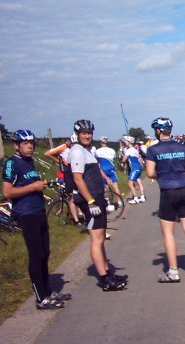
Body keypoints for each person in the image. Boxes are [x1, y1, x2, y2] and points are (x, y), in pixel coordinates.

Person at [3, 130, 72, 309]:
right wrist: (33, 187)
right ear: (16, 146)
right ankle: (40, 298)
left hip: (38, 210)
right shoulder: (12, 163)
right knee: (36, 254)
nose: (30, 146)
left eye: (31, 143)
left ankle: (48, 292)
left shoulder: (30, 162)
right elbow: (7, 192)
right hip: (26, 213)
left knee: (45, 253)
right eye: (25, 143)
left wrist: (39, 186)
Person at [68, 120, 127, 291]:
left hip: (97, 198)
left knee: (100, 239)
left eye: (90, 133)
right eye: (84, 133)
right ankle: (104, 279)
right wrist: (90, 201)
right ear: (77, 134)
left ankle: (108, 273)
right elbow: (78, 179)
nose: (87, 135)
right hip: (90, 201)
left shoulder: (86, 151)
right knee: (96, 239)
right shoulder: (77, 152)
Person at [145, 117, 185, 282]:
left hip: (168, 191)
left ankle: (173, 271)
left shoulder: (153, 150)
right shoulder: (182, 147)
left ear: (157, 131)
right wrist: (178, 170)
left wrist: (164, 173)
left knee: (168, 234)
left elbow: (150, 173)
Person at [95, 136, 122, 202]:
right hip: (111, 170)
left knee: (105, 187)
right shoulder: (112, 150)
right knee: (116, 187)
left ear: (100, 142)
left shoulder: (97, 151)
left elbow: (97, 161)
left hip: (103, 171)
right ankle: (119, 201)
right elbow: (114, 160)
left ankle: (108, 202)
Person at [121, 136, 146, 204]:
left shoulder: (128, 150)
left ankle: (135, 198)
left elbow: (123, 160)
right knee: (139, 182)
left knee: (130, 183)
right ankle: (142, 197)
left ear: (128, 142)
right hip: (139, 167)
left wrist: (123, 154)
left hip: (134, 168)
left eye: (124, 142)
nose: (124, 143)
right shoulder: (135, 150)